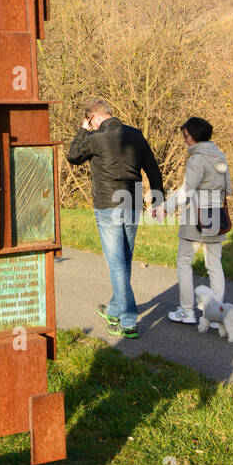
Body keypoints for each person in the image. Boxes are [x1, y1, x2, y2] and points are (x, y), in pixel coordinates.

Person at [67, 98, 165, 339]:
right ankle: (113, 306)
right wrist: (158, 199)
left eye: (90, 121)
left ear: (94, 118)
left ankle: (127, 319)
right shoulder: (136, 135)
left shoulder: (95, 138)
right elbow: (153, 168)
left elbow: (72, 156)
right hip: (132, 203)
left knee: (117, 264)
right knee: (124, 260)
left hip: (108, 205)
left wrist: (83, 129)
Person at [166, 116, 232, 325]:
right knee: (215, 266)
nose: (184, 140)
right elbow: (228, 189)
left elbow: (186, 192)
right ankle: (215, 316)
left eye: (186, 135)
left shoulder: (196, 159)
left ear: (193, 136)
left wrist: (164, 207)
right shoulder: (220, 156)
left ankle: (187, 312)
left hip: (196, 216)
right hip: (216, 216)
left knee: (184, 263)